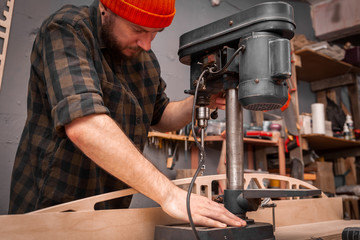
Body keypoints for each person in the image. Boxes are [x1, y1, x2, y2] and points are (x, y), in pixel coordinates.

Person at [8, 0, 246, 228]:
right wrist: (170, 194)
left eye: (155, 33)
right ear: (106, 9)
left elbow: (161, 116)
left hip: (110, 213)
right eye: (138, 29)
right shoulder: (67, 30)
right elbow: (85, 125)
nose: (146, 44)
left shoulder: (146, 61)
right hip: (50, 211)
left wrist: (198, 101)